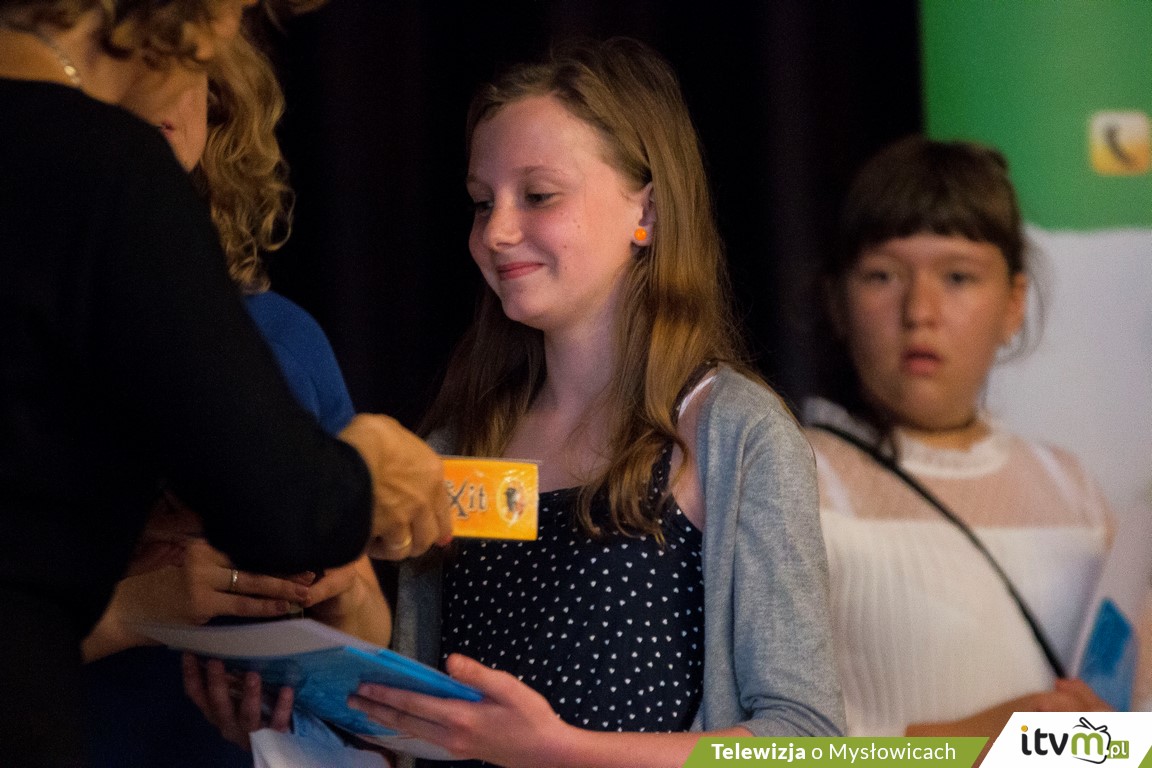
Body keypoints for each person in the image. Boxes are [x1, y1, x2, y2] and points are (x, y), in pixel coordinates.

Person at [336, 37, 841, 767]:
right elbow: (415, 728)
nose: (497, 231)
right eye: (482, 203)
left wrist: (562, 751)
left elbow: (807, 741)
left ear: (648, 212)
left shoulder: (735, 434)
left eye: (539, 196)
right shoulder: (455, 442)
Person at [0, 2, 450, 765]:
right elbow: (288, 505)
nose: (227, 37)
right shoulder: (99, 164)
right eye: (236, 7)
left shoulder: (283, 331)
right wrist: (370, 469)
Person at [81, 28, 391, 768]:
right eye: (130, 57)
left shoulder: (284, 334)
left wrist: (338, 592)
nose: (161, 85)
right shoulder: (39, 329)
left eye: (183, 63)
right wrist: (143, 607)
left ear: (218, 104)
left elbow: (371, 629)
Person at [802, 135, 1118, 738]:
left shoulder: (1072, 490)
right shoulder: (795, 477)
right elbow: (746, 746)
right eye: (882, 275)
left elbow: (1129, 731)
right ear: (837, 299)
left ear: (1013, 303)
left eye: (957, 277)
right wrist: (960, 744)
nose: (920, 311)